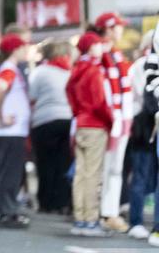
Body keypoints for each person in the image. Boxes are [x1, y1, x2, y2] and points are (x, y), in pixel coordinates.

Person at [68, 32, 113, 237]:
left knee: (80, 174)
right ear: (91, 47)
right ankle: (90, 220)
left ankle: (80, 218)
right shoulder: (94, 70)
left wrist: (77, 111)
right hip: (95, 125)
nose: (100, 47)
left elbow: (68, 90)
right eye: (97, 44)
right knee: (93, 175)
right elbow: (99, 101)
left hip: (80, 124)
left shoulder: (77, 68)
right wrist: (110, 121)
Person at [92, 12, 133, 234]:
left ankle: (110, 211)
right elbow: (102, 89)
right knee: (108, 168)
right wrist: (112, 117)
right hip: (112, 118)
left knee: (115, 168)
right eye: (118, 27)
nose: (121, 30)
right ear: (108, 29)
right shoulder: (103, 52)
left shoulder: (114, 53)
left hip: (120, 117)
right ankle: (105, 212)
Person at [0, 34, 32, 229]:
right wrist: (2, 114)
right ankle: (7, 212)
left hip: (11, 129)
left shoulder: (8, 68)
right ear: (15, 49)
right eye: (24, 47)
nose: (27, 51)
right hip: (11, 130)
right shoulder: (9, 69)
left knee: (8, 171)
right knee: (11, 172)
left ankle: (4, 210)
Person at [28, 39, 74, 215]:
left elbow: (31, 96)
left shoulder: (40, 72)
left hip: (44, 121)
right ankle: (63, 201)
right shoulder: (69, 72)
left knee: (45, 163)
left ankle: (46, 202)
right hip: (67, 119)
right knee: (64, 163)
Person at [128, 30, 159, 240]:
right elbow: (144, 93)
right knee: (141, 174)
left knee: (145, 176)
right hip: (143, 126)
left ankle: (139, 221)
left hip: (146, 123)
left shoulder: (141, 64)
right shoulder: (141, 65)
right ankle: (136, 221)